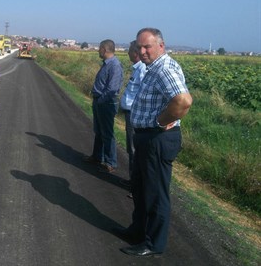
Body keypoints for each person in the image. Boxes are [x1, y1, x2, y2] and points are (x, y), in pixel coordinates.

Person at [118, 27, 193, 257]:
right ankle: (138, 231)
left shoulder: (164, 68)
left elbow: (182, 100)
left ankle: (153, 243)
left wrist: (160, 122)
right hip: (146, 137)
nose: (142, 51)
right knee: (140, 188)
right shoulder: (152, 67)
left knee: (155, 193)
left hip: (157, 138)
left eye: (147, 46)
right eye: (139, 47)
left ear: (161, 45)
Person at [82, 39, 123, 173]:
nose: (98, 51)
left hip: (106, 102)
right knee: (99, 131)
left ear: (105, 49)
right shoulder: (107, 64)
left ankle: (111, 162)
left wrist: (101, 100)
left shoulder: (114, 65)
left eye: (99, 48)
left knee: (107, 133)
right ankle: (97, 156)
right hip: (100, 101)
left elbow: (112, 88)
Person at [119, 40, 147, 192]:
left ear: (135, 53)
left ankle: (136, 186)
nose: (128, 53)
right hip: (131, 114)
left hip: (135, 116)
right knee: (131, 148)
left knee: (134, 149)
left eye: (129, 51)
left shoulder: (142, 70)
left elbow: (142, 94)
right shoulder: (137, 69)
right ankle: (133, 181)